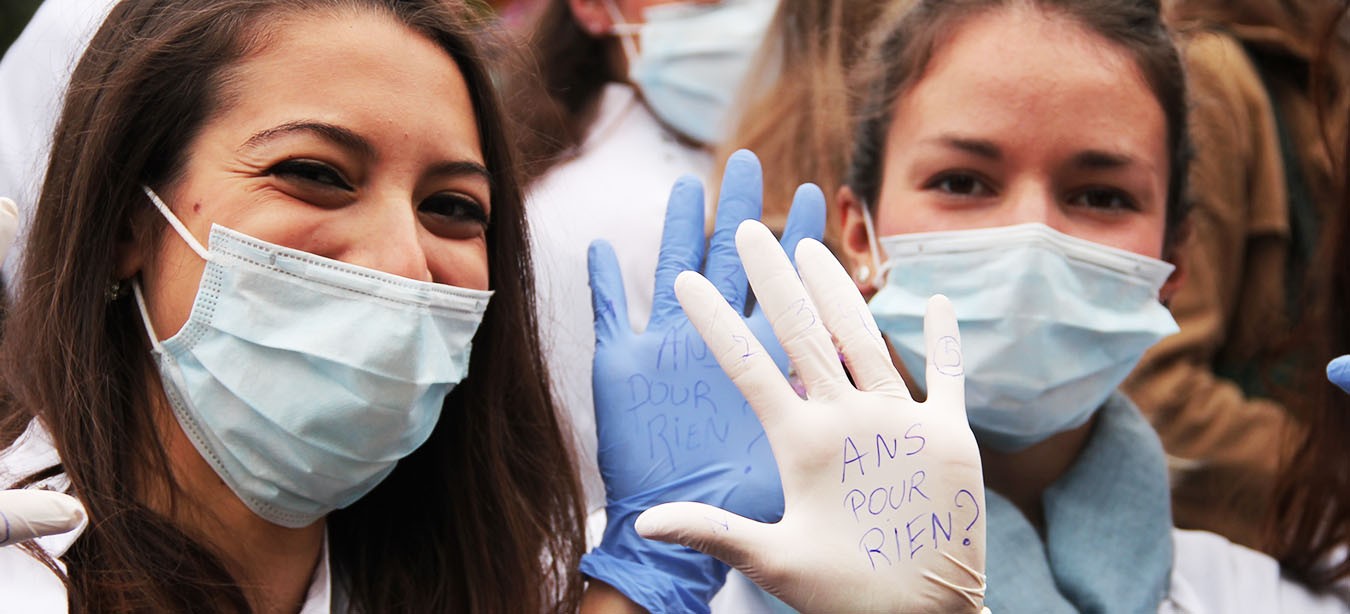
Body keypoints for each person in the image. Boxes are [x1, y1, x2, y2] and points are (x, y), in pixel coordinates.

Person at [618, 0, 1349, 610]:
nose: (1028, 233)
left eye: (1100, 196)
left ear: (1175, 263)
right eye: (963, 182)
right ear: (857, 231)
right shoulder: (696, 564)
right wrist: (647, 584)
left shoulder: (1261, 596)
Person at [0, 0, 588, 611]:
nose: (404, 261)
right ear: (128, 223)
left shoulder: (526, 586)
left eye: (453, 207)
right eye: (316, 172)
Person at [1117, 0, 1350, 551]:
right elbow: (1156, 397)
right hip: (1232, 559)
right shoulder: (1214, 74)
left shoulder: (1319, 67)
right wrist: (1330, 477)